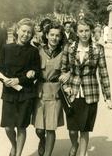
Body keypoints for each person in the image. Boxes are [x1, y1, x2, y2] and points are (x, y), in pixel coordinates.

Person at [60, 17, 112, 156]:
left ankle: (82, 154)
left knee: (84, 129)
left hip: (90, 94)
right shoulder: (69, 48)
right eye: (81, 31)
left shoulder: (98, 49)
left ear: (91, 31)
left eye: (87, 30)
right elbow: (63, 70)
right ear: (76, 32)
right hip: (72, 92)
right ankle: (74, 144)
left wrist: (108, 97)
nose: (84, 34)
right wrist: (66, 86)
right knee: (72, 129)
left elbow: (103, 73)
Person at [0, 18, 41, 156]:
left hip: (26, 93)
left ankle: (18, 154)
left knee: (21, 127)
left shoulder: (34, 51)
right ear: (17, 30)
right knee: (8, 127)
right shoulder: (6, 48)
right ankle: (14, 146)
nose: (26, 34)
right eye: (23, 31)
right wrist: (4, 80)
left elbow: (37, 72)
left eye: (29, 32)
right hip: (9, 92)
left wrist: (22, 78)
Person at [32, 21, 67, 156]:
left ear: (60, 37)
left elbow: (70, 69)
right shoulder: (39, 51)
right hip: (40, 91)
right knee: (39, 129)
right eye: (51, 35)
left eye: (57, 35)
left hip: (55, 92)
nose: (54, 38)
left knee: (51, 128)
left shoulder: (64, 53)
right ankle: (42, 140)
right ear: (46, 35)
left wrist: (68, 74)